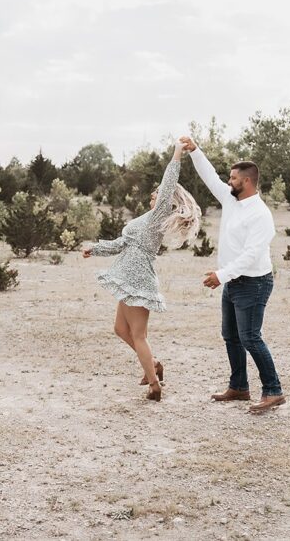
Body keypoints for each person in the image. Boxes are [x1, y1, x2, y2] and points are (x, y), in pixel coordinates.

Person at [83, 141, 201, 402]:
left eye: (156, 195)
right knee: (120, 329)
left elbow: (169, 181)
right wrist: (96, 249)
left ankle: (155, 385)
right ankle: (154, 365)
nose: (152, 197)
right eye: (152, 195)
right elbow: (122, 243)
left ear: (166, 201)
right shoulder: (143, 220)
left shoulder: (158, 216)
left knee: (138, 335)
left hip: (138, 279)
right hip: (126, 277)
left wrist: (176, 155)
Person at [179, 135, 285, 414]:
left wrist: (221, 275)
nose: (228, 182)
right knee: (231, 335)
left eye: (233, 178)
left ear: (247, 182)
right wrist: (195, 151)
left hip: (254, 283)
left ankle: (273, 391)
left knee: (250, 336)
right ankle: (239, 387)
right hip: (232, 280)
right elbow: (210, 177)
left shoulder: (260, 215)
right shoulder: (230, 199)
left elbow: (250, 256)